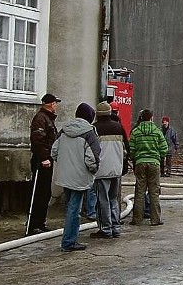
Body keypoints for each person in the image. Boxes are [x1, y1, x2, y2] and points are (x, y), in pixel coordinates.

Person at [52, 103, 101, 251]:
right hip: (80, 177)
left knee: (70, 207)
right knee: (75, 209)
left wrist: (64, 165)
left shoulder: (64, 130)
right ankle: (69, 242)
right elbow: (92, 158)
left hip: (65, 175)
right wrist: (93, 171)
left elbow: (54, 151)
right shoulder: (90, 133)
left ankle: (69, 240)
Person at [91, 101, 129, 239]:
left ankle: (106, 229)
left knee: (103, 200)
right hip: (116, 169)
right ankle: (115, 227)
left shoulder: (94, 129)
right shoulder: (119, 127)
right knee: (114, 199)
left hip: (101, 170)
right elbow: (126, 148)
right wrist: (123, 165)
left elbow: (91, 151)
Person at [27, 92, 60, 235]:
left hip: (47, 158)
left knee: (45, 192)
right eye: (55, 103)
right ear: (51, 104)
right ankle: (33, 224)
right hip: (42, 160)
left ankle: (41, 222)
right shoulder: (41, 119)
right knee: (39, 192)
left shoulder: (48, 118)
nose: (56, 106)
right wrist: (44, 157)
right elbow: (38, 139)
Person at [129, 109, 167, 226]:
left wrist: (137, 158)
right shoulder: (157, 132)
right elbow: (164, 148)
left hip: (140, 163)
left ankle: (137, 219)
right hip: (154, 164)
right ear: (151, 118)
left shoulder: (136, 132)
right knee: (154, 192)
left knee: (139, 192)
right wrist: (158, 157)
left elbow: (131, 150)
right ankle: (155, 220)